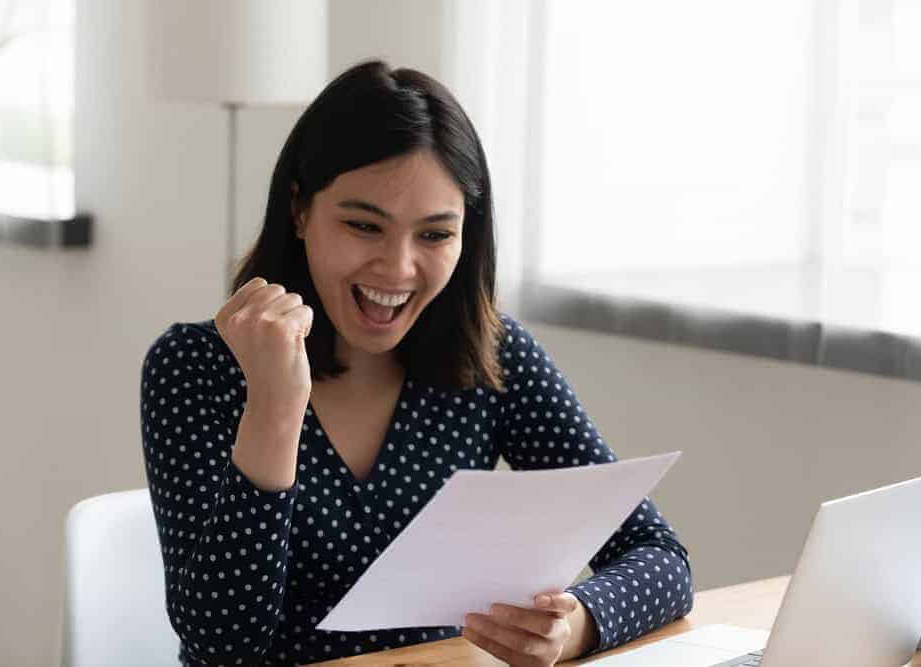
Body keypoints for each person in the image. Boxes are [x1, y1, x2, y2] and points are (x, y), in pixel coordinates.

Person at [140, 59, 693, 667]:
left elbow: (659, 556)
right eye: (363, 225)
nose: (398, 268)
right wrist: (275, 402)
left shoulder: (491, 357)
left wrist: (576, 624)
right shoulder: (195, 366)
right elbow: (223, 644)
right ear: (300, 210)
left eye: (434, 235)